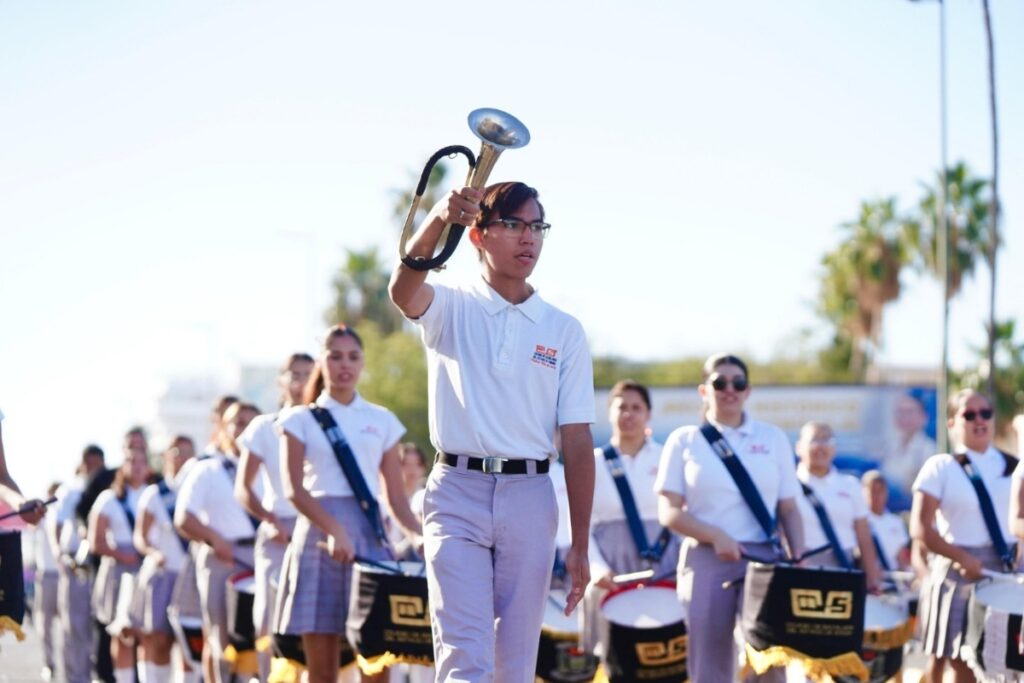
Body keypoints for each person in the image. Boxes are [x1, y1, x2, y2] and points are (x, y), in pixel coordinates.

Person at [389, 181, 596, 682]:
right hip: (456, 493)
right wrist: (439, 216)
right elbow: (402, 291)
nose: (529, 238)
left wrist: (581, 543)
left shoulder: (563, 329)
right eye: (513, 224)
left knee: (514, 664)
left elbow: (577, 441)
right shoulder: (451, 305)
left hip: (531, 496)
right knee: (465, 656)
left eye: (537, 227)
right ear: (478, 235)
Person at [273, 325, 421, 683]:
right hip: (318, 539)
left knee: (377, 662)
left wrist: (419, 536)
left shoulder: (382, 420)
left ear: (363, 363)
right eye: (336, 356)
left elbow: (396, 498)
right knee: (322, 671)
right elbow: (294, 490)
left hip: (369, 537)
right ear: (322, 362)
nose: (345, 365)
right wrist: (335, 530)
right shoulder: (299, 419)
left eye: (353, 357)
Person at [655, 353, 805, 683]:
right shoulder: (685, 440)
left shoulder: (772, 438)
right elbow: (669, 512)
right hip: (707, 557)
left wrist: (799, 556)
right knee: (709, 660)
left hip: (764, 559)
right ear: (704, 391)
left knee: (769, 659)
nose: (729, 390)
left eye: (738, 383)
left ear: (748, 390)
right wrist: (716, 536)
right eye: (719, 382)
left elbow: (789, 509)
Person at [911, 389, 1018, 683]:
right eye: (969, 414)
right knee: (958, 659)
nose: (979, 420)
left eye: (985, 413)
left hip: (1007, 568)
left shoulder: (1014, 466)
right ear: (952, 423)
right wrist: (961, 557)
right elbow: (920, 527)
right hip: (958, 571)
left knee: (1005, 659)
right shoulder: (941, 466)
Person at [582, 379, 680, 653]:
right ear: (609, 413)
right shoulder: (591, 462)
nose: (628, 414)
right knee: (611, 656)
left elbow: (682, 516)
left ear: (648, 414)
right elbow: (579, 525)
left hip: (665, 570)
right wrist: (597, 568)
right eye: (621, 407)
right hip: (611, 575)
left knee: (664, 651)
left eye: (637, 407)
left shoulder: (667, 458)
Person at [235, 352, 313, 682]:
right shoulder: (263, 427)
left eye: (308, 374)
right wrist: (270, 520)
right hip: (277, 532)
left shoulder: (324, 424)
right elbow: (243, 488)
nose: (301, 381)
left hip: (316, 529)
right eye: (294, 374)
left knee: (315, 623)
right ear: (281, 381)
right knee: (267, 621)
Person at [175, 400, 260, 683]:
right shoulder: (208, 469)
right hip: (223, 559)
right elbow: (183, 517)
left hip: (261, 556)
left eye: (251, 422)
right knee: (221, 637)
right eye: (238, 422)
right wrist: (214, 539)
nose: (244, 429)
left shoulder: (269, 468)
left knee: (262, 637)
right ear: (224, 428)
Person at [87, 433, 154, 683]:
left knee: (148, 633)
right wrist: (122, 555)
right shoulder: (108, 499)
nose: (137, 467)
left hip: (147, 570)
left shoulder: (155, 495)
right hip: (120, 572)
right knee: (121, 633)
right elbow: (96, 542)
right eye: (131, 461)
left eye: (141, 462)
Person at [133, 435, 197, 683]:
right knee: (159, 641)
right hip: (164, 574)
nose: (182, 458)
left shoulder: (199, 489)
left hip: (191, 576)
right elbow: (140, 537)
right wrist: (153, 553)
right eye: (177, 452)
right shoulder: (155, 494)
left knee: (190, 643)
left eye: (188, 452)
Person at [794, 421, 881, 589]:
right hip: (801, 569)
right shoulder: (789, 485)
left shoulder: (850, 485)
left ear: (834, 449)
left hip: (843, 568)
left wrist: (872, 577)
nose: (821, 446)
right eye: (814, 440)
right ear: (799, 448)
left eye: (827, 440)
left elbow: (863, 535)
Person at [51, 444, 106, 683]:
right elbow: (57, 523)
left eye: (98, 464)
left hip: (99, 562)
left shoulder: (106, 488)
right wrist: (60, 554)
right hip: (76, 560)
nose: (94, 468)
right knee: (75, 625)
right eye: (90, 463)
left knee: (98, 626)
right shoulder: (71, 491)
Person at [33, 482, 62, 681]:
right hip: (47, 576)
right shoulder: (42, 517)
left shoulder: (66, 514)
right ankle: (49, 663)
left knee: (73, 625)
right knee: (45, 624)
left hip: (65, 575)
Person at [883, 393, 937, 493]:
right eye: (900, 412)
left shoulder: (929, 450)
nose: (904, 417)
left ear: (923, 417)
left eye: (910, 412)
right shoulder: (890, 446)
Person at [861, 469, 911, 573]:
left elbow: (901, 557)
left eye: (880, 491)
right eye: (873, 491)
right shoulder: (860, 522)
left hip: (891, 576)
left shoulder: (896, 522)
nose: (877, 496)